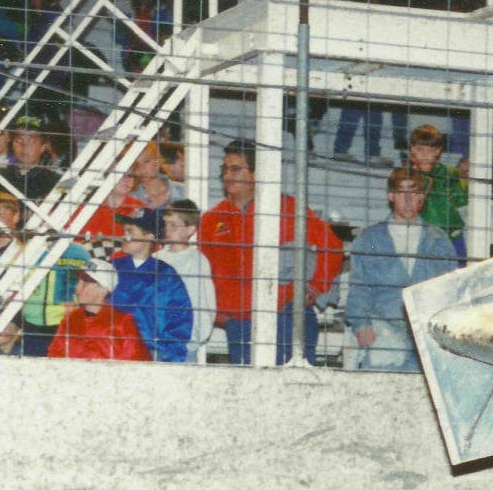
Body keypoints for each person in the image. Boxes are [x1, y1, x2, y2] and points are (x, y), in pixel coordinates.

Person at [200, 138, 343, 365]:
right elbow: (203, 271)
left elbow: (332, 246)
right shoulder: (211, 219)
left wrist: (315, 287)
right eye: (224, 169)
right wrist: (218, 313)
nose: (228, 175)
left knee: (296, 392)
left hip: (287, 316)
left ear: (258, 173)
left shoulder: (288, 208)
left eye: (236, 169)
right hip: (240, 322)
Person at [345, 168, 459, 372]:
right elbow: (359, 287)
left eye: (414, 193)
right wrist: (361, 324)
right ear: (390, 196)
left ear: (422, 197)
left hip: (427, 335)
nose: (408, 199)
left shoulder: (439, 241)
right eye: (401, 193)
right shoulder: (369, 239)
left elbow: (451, 291)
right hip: (384, 334)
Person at [110, 206, 193, 362]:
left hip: (152, 356)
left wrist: (170, 360)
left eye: (130, 232)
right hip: (113, 354)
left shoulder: (166, 276)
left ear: (149, 238)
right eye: (124, 231)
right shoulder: (111, 268)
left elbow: (180, 321)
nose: (124, 237)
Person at [48, 258, 150, 361]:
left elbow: (137, 362)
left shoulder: (122, 323)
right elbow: (55, 356)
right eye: (78, 281)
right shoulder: (70, 319)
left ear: (104, 290)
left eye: (85, 284)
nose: (77, 288)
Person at [155, 199, 218, 358]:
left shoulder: (196, 261)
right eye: (166, 223)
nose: (167, 229)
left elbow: (203, 305)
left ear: (190, 229)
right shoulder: (155, 258)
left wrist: (192, 340)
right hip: (156, 341)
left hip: (182, 344)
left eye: (174, 225)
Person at [403, 124, 467, 245]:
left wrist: (465, 185)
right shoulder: (406, 176)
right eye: (420, 150)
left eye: (430, 150)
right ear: (412, 149)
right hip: (422, 238)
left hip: (453, 235)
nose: (425, 155)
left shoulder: (449, 173)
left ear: (438, 151)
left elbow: (463, 201)